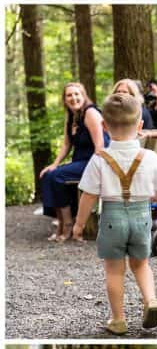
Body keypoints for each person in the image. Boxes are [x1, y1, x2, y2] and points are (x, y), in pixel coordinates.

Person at [71, 93, 157, 335]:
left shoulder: (99, 159)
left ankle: (118, 319)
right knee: (141, 264)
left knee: (114, 270)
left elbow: (88, 196)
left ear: (104, 127)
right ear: (140, 126)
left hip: (112, 218)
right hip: (141, 216)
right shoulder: (148, 157)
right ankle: (150, 300)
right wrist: (156, 196)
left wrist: (79, 224)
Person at [38, 81, 106, 242]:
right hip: (81, 161)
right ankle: (61, 222)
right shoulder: (71, 116)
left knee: (57, 176)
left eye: (77, 94)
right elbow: (66, 144)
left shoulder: (91, 113)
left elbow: (100, 146)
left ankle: (69, 224)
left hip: (95, 161)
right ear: (64, 99)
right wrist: (54, 164)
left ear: (83, 96)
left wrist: (95, 170)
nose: (73, 98)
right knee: (48, 174)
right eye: (69, 95)